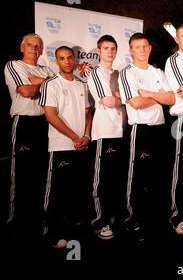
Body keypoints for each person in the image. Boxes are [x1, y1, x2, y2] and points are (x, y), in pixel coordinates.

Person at [118, 33, 174, 241]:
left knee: (158, 176)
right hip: (140, 130)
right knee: (137, 177)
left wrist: (149, 94)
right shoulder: (127, 73)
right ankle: (133, 220)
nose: (141, 50)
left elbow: (172, 98)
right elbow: (135, 103)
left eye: (144, 46)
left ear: (149, 49)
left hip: (159, 129)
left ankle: (155, 219)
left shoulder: (158, 72)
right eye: (137, 47)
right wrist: (158, 96)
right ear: (131, 50)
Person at [150, 24, 183, 235]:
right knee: (178, 170)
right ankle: (176, 215)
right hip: (180, 118)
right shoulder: (172, 60)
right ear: (178, 40)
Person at [39, 46, 93, 248]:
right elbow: (50, 116)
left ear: (75, 59)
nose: (67, 61)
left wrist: (86, 135)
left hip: (81, 145)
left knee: (76, 191)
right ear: (57, 61)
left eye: (70, 57)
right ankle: (52, 232)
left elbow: (88, 113)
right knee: (56, 193)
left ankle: (73, 230)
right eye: (62, 58)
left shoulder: (81, 84)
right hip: (61, 146)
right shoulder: (50, 84)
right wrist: (73, 137)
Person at [4, 33, 54, 238]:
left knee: (44, 174)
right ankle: (16, 221)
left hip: (46, 123)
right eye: (30, 45)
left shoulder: (46, 69)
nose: (34, 48)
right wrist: (48, 85)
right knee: (22, 175)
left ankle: (41, 221)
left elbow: (60, 90)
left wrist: (39, 83)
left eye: (38, 46)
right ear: (22, 47)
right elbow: (25, 90)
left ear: (41, 50)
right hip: (24, 122)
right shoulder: (14, 65)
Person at [87, 35, 127, 240]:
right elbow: (109, 101)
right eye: (105, 48)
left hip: (122, 131)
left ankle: (114, 216)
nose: (109, 52)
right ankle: (99, 220)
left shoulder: (120, 73)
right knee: (101, 180)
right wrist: (125, 97)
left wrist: (121, 96)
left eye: (113, 48)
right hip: (105, 132)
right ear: (98, 50)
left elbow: (125, 98)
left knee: (118, 179)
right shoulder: (95, 73)